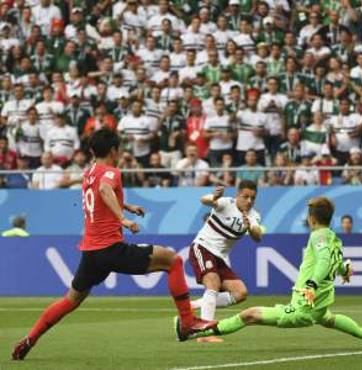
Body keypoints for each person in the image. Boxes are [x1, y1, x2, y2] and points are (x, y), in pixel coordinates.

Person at [12, 129, 213, 361]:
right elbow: (105, 190)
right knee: (173, 261)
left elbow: (100, 195)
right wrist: (123, 219)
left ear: (91, 151)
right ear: (114, 150)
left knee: (70, 300)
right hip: (110, 248)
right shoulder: (111, 172)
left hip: (91, 252)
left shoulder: (89, 173)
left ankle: (30, 339)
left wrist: (127, 207)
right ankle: (188, 322)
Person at [176, 197, 362, 352]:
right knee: (330, 318)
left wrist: (313, 285)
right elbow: (334, 262)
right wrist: (344, 270)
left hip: (303, 307)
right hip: (317, 307)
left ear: (312, 219)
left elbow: (325, 261)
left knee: (248, 315)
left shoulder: (318, 236)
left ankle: (194, 331)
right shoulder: (333, 237)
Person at [189, 181, 263, 343]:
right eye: (245, 197)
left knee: (240, 293)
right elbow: (204, 200)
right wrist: (214, 196)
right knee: (213, 284)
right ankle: (204, 334)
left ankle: (193, 306)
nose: (249, 201)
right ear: (237, 195)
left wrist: (249, 226)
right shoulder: (226, 203)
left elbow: (258, 236)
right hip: (203, 247)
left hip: (219, 258)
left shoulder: (253, 216)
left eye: (253, 198)